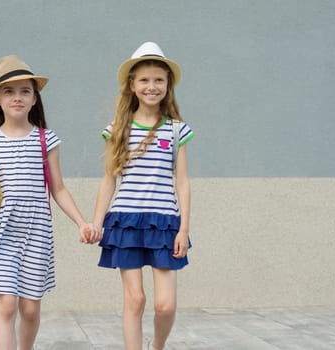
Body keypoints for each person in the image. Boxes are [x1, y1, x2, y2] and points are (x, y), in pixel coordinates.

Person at [0, 55, 99, 350]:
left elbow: (58, 188)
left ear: (35, 98)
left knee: (29, 310)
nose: (17, 97)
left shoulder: (45, 139)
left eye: (25, 91)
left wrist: (81, 222)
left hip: (37, 232)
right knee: (6, 306)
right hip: (1, 231)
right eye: (9, 91)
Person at [92, 42, 194, 350]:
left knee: (165, 305)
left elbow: (183, 181)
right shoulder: (117, 130)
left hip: (164, 224)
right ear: (133, 86)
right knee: (135, 299)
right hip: (125, 222)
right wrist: (97, 222)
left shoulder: (176, 129)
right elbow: (108, 180)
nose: (152, 86)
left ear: (168, 85)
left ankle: (157, 346)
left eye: (158, 80)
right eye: (145, 80)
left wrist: (184, 228)